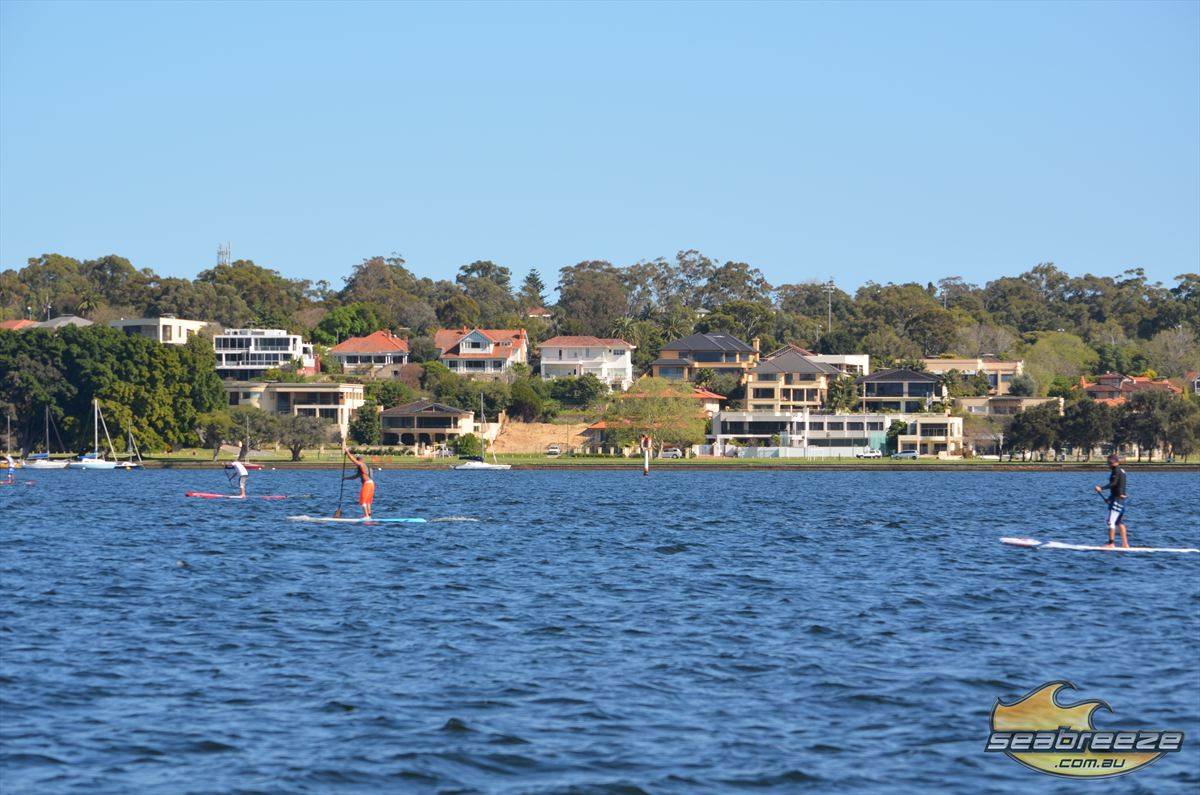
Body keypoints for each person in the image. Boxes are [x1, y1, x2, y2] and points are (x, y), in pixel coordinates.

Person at [1095, 454, 1128, 548]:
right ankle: (1125, 544)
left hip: (1117, 500)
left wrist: (1101, 488)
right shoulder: (1120, 470)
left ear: (1114, 462)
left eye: (1109, 462)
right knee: (1118, 522)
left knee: (1110, 521)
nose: (1108, 464)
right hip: (1119, 499)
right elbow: (1119, 487)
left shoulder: (1116, 471)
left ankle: (1111, 543)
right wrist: (1109, 498)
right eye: (1108, 462)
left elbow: (1113, 484)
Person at [343, 441, 374, 519]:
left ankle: (366, 516)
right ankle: (369, 516)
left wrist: (347, 452)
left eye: (357, 461)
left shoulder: (361, 464)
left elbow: (353, 460)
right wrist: (345, 478)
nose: (356, 464)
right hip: (371, 484)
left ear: (359, 460)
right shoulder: (363, 467)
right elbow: (355, 477)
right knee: (368, 501)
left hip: (367, 484)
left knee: (362, 500)